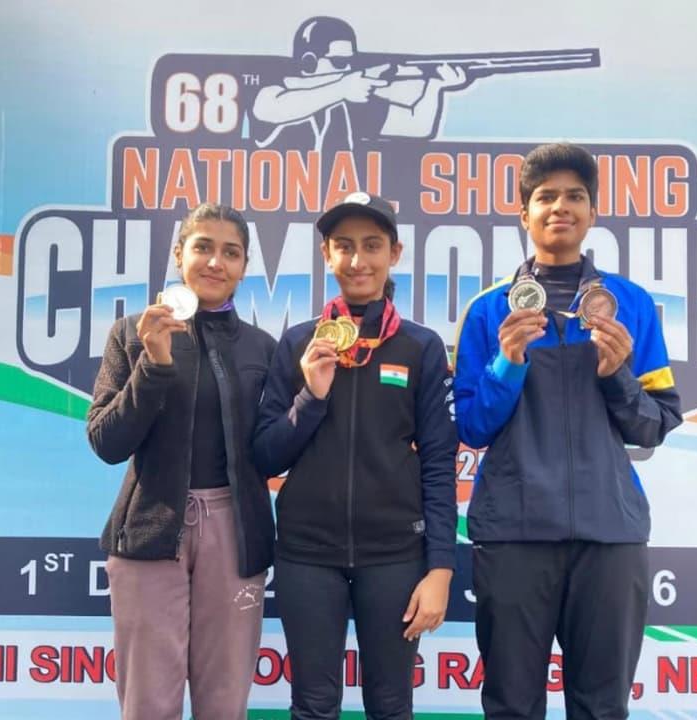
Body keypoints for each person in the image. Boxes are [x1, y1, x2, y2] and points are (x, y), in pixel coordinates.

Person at [452, 142, 683, 720]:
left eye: (575, 196)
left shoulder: (629, 305)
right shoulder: (489, 310)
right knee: (511, 706)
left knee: (602, 707)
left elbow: (654, 425)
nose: (561, 206)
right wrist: (507, 363)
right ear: (523, 214)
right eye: (546, 196)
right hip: (514, 534)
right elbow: (473, 427)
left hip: (609, 535)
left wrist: (616, 373)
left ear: (592, 212)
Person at [252, 192, 458, 719]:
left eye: (372, 245)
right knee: (313, 704)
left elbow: (439, 464)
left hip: (394, 555)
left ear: (395, 253)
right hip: (306, 554)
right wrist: (311, 395)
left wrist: (440, 568)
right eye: (343, 246)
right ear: (327, 255)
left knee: (390, 705)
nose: (357, 259)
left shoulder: (420, 347)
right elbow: (266, 455)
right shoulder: (299, 343)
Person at [85, 203, 277, 720]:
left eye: (231, 253)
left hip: (237, 535)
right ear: (178, 255)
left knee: (224, 702)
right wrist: (154, 363)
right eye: (203, 247)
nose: (215, 262)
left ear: (244, 267)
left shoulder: (262, 348)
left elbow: (275, 447)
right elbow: (106, 442)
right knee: (148, 703)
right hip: (149, 531)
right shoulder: (131, 333)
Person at [250, 16, 468, 152]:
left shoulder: (348, 102)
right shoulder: (275, 91)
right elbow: (270, 109)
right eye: (339, 62)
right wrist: (342, 89)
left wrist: (435, 87)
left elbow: (417, 126)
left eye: (350, 62)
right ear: (309, 62)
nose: (347, 68)